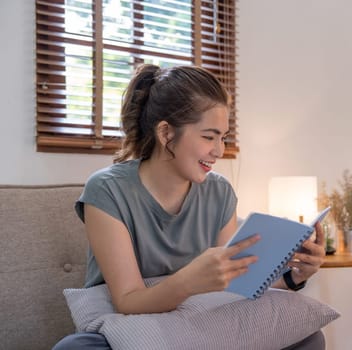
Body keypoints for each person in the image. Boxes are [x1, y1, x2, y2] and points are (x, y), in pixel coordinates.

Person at [52, 64, 327, 350]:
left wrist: (294, 276)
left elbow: (236, 286)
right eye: (209, 137)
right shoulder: (108, 190)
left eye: (223, 137)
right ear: (166, 133)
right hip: (133, 323)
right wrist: (188, 281)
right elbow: (128, 300)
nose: (219, 151)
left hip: (194, 322)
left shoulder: (219, 192)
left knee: (308, 337)